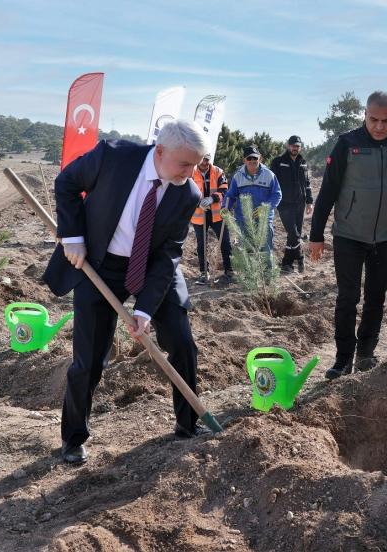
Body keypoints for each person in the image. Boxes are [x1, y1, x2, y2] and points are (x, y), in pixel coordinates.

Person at [43, 120, 209, 465]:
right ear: (159, 152)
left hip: (153, 266)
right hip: (99, 263)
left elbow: (168, 255)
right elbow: (67, 183)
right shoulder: (113, 157)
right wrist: (72, 236)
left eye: (196, 165)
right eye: (184, 164)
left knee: (181, 341)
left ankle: (188, 424)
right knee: (90, 358)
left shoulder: (187, 193)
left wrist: (144, 311)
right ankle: (74, 438)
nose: (190, 173)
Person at [309, 90, 387, 380]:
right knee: (347, 299)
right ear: (364, 114)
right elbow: (328, 190)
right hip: (349, 235)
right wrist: (316, 234)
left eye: (385, 121)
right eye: (373, 119)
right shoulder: (348, 143)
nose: (378, 126)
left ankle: (366, 354)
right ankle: (342, 360)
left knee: (376, 298)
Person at [224, 145, 282, 268]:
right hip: (243, 220)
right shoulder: (238, 176)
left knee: (266, 251)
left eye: (255, 158)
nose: (252, 161)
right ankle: (248, 276)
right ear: (244, 160)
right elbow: (230, 195)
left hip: (264, 220)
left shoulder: (269, 175)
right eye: (249, 158)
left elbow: (277, 194)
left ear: (260, 158)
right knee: (246, 252)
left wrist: (265, 208)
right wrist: (225, 207)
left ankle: (267, 276)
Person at [270, 135, 313, 273]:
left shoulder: (303, 162)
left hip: (300, 203)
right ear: (288, 146)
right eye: (293, 145)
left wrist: (309, 202)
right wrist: (272, 201)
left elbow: (307, 183)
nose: (295, 148)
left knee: (294, 234)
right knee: (294, 234)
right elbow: (272, 183)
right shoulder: (278, 162)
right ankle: (300, 257)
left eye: (298, 146)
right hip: (284, 204)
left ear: (300, 147)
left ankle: (286, 263)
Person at [191, 153, 233, 284]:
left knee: (225, 241)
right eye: (202, 159)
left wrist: (212, 199)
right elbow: (186, 192)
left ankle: (229, 271)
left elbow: (224, 190)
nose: (205, 162)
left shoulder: (218, 171)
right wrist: (198, 203)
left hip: (217, 214)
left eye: (207, 160)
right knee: (202, 244)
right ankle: (204, 273)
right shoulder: (190, 172)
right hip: (199, 214)